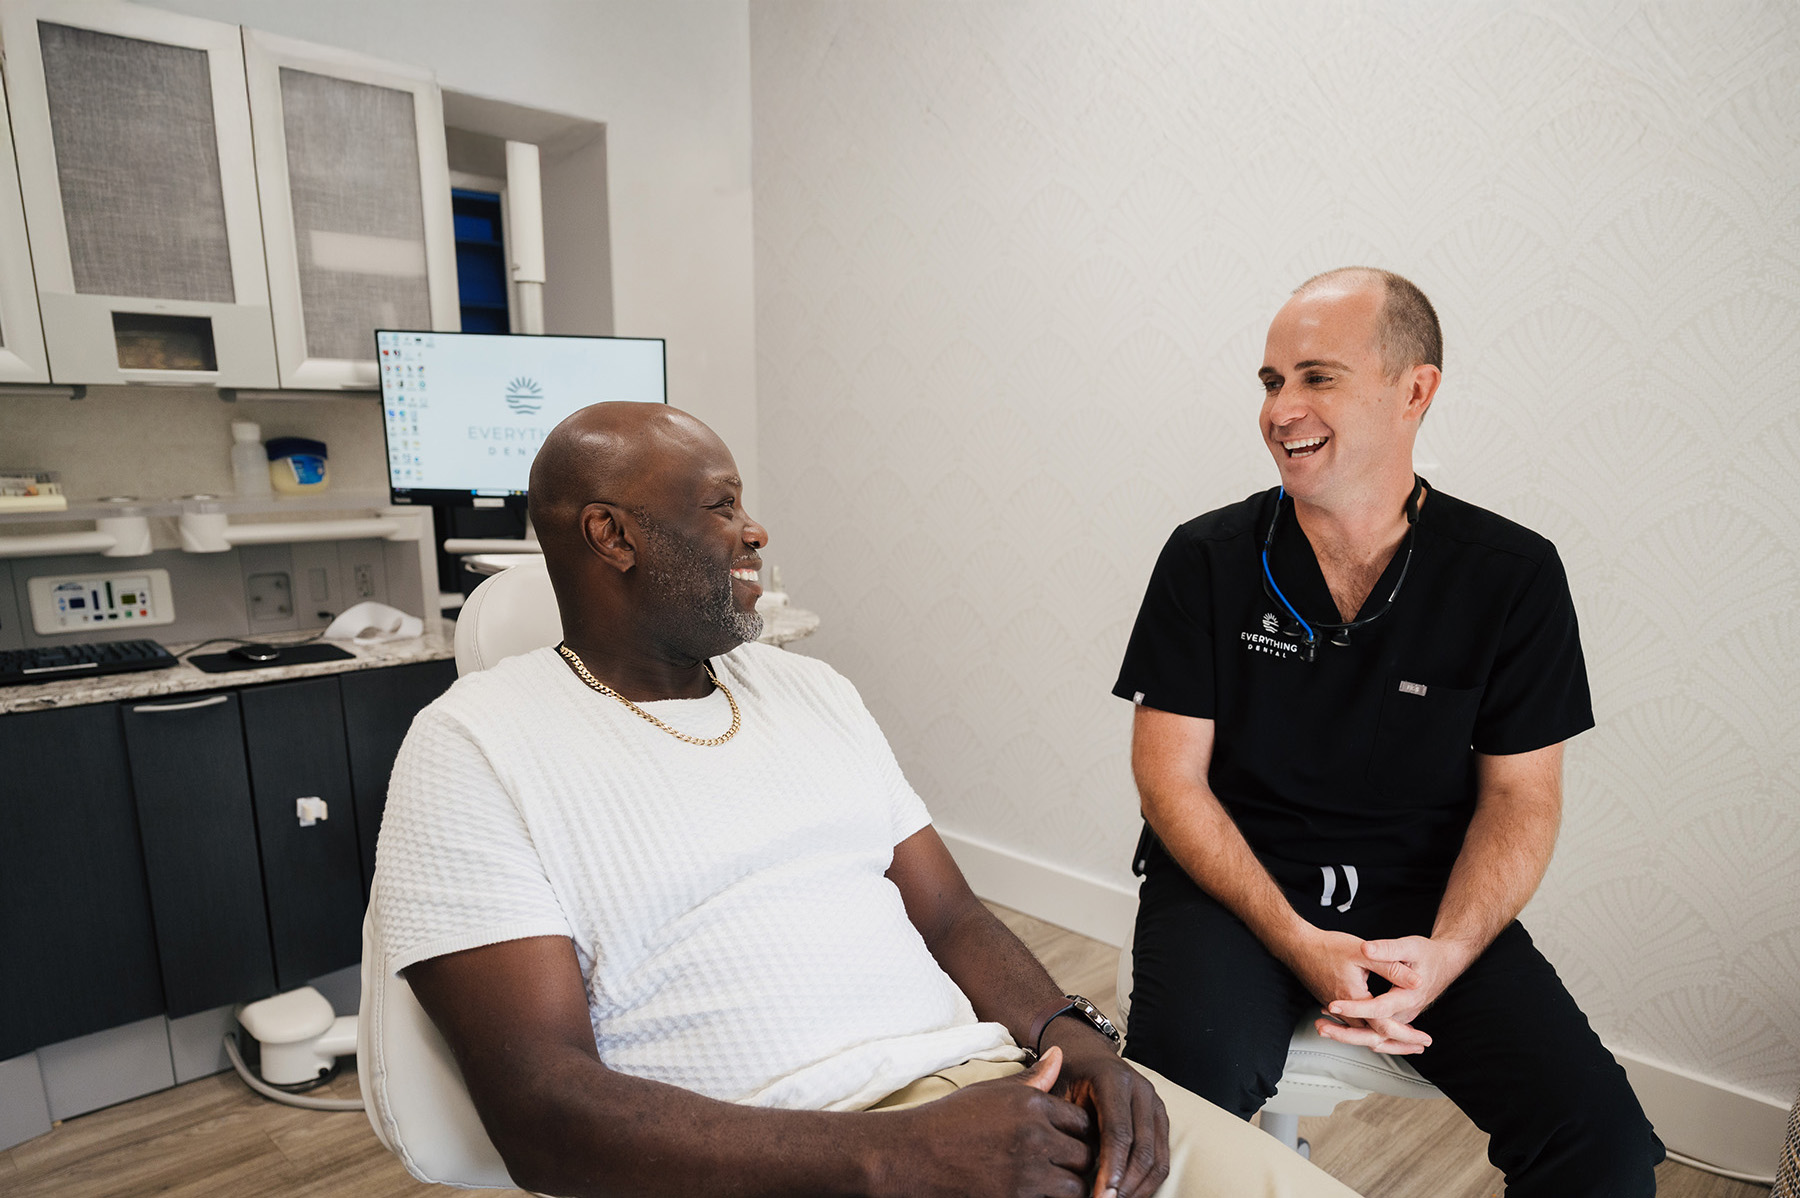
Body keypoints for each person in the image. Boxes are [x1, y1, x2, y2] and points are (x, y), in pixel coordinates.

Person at [372, 401, 1360, 1198]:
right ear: (612, 535)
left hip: (1006, 1104)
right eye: (719, 505)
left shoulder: (815, 693)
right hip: (787, 1159)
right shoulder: (475, 746)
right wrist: (898, 1157)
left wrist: (1075, 1038)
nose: (754, 529)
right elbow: (539, 1114)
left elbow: (953, 913)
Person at [1113, 267, 1665, 1196]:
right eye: (1270, 380)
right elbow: (1170, 781)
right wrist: (1297, 938)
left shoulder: (1511, 575)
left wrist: (1446, 955)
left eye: (1316, 376)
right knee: (1169, 1124)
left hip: (1424, 908)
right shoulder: (1206, 558)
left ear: (1416, 390)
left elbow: (1521, 797)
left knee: (1602, 1150)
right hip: (1233, 894)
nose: (1281, 408)